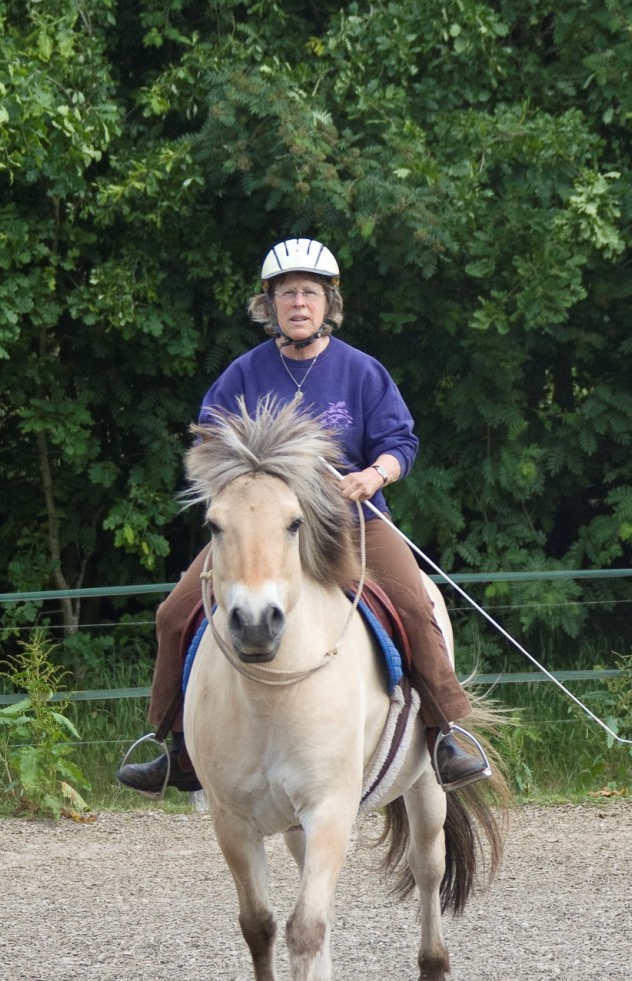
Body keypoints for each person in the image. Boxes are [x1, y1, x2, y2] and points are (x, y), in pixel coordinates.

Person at [117, 237, 489, 795]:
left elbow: (400, 441)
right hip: (262, 528)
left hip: (351, 520)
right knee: (174, 613)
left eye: (309, 293)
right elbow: (208, 445)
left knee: (413, 603)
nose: (298, 303)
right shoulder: (242, 375)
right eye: (286, 293)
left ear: (328, 303)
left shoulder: (361, 371)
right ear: (268, 304)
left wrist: (374, 475)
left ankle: (443, 734)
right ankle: (174, 747)